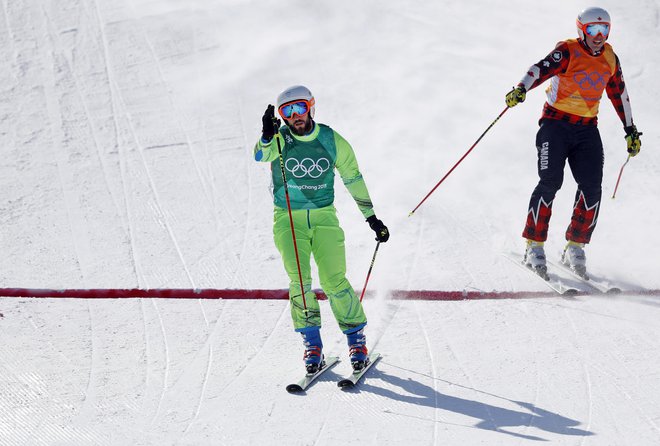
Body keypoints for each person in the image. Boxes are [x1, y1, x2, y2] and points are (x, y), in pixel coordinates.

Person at [254, 85, 389, 374]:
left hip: (324, 218)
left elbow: (352, 176)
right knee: (299, 282)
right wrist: (266, 135)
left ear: (311, 108)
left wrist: (371, 217)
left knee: (333, 280)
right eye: (286, 112)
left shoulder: (331, 140)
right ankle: (312, 344)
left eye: (299, 108)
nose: (294, 116)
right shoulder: (280, 140)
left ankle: (356, 340)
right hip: (288, 220)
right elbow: (260, 156)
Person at [505, 6, 642, 280]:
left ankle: (575, 246)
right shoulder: (567, 52)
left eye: (604, 30)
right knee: (550, 182)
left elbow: (620, 95)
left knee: (591, 188)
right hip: (555, 126)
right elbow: (539, 69)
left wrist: (630, 130)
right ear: (582, 30)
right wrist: (520, 88)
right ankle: (534, 243)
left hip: (586, 130)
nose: (599, 36)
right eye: (593, 30)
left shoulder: (610, 59)